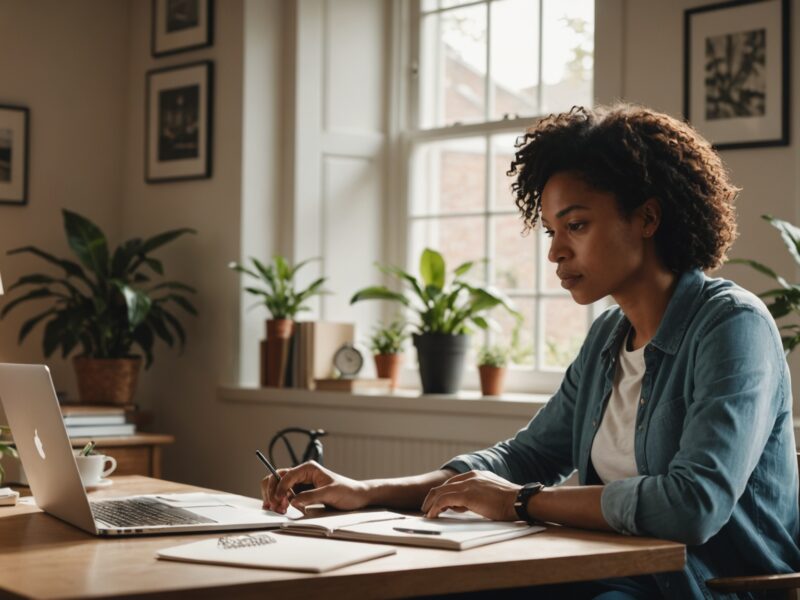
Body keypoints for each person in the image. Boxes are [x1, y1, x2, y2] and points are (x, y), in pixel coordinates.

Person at [261, 104, 800, 599]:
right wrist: (367, 491)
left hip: (712, 586)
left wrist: (519, 502)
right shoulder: (608, 338)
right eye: (550, 230)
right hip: (610, 571)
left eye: (577, 225)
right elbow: (522, 458)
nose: (555, 251)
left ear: (648, 218)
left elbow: (692, 505)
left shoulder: (732, 326)